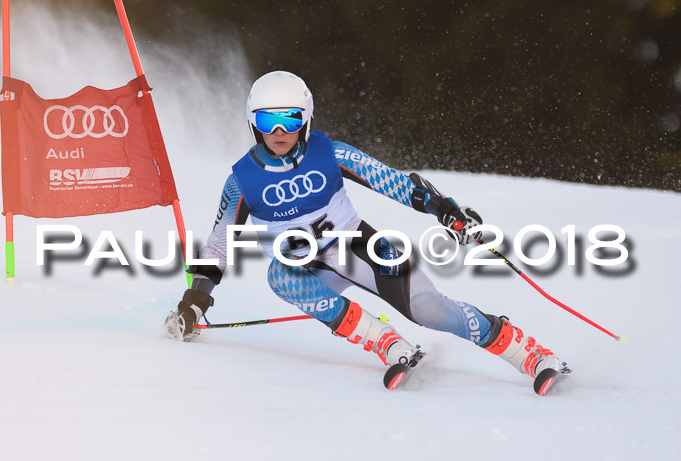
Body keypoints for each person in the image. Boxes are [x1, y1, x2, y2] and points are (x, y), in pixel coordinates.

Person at [166, 71, 563, 384]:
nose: (280, 131)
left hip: (358, 248)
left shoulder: (330, 152)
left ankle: (526, 352)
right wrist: (195, 301)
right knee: (279, 275)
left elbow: (391, 181)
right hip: (307, 269)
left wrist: (445, 210)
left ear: (306, 119)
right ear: (253, 123)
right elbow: (219, 245)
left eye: (290, 118)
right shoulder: (242, 180)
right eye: (268, 120)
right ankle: (386, 343)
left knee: (427, 308)